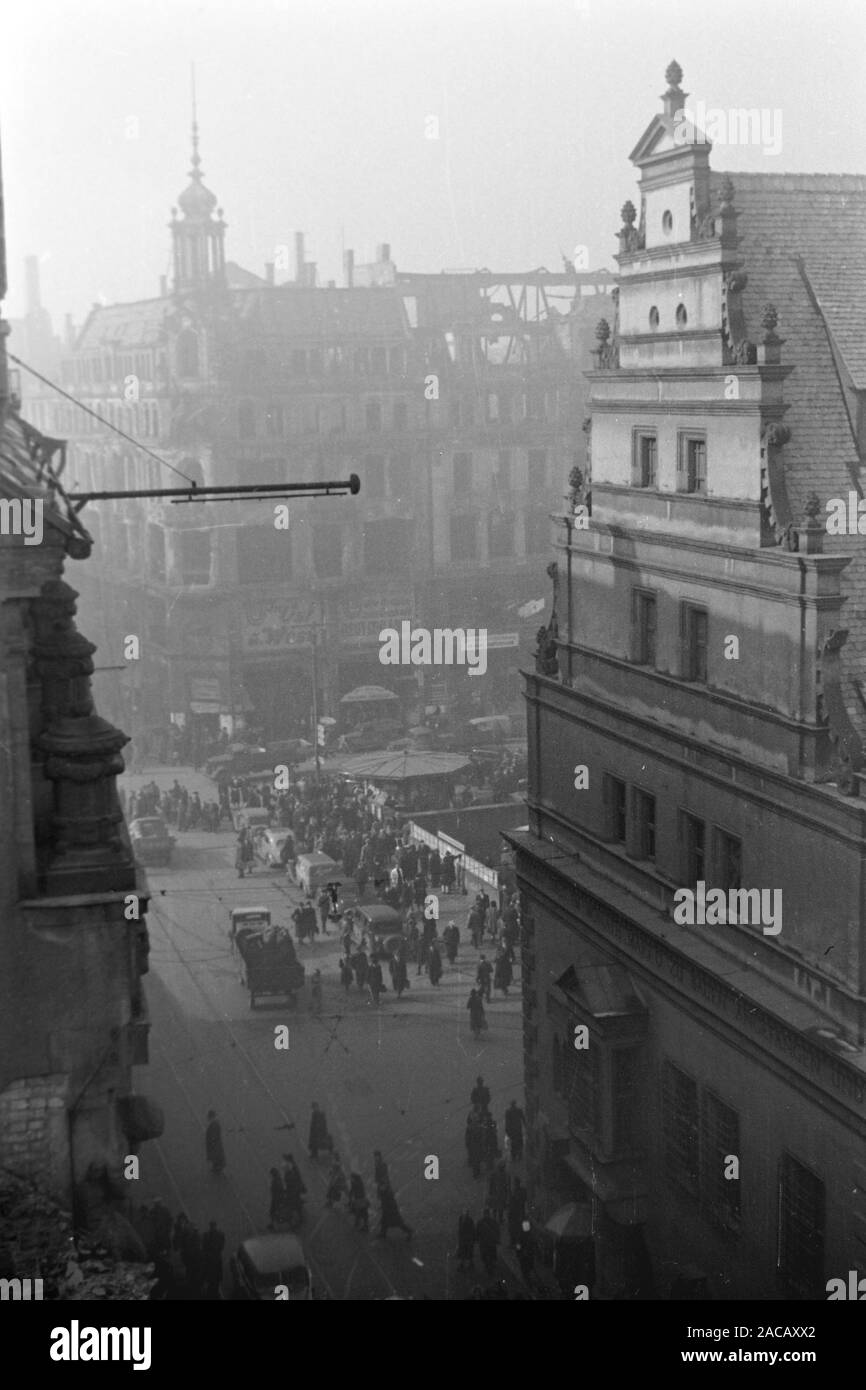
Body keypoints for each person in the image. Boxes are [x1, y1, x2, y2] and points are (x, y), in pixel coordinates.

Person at [201, 1220, 225, 1299]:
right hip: (214, 1259)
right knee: (215, 1280)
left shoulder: (206, 1235)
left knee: (211, 1279)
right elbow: (221, 1246)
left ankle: (211, 1293)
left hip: (210, 1260)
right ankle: (214, 1293)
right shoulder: (220, 1235)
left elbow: (204, 1247)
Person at [282, 1154, 306, 1227]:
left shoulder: (291, 1172)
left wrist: (287, 1191)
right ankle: (297, 1218)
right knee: (296, 1206)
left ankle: (293, 1220)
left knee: (293, 1206)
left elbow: (293, 1183)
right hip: (294, 1191)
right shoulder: (291, 1169)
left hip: (293, 1192)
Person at [475, 1207, 500, 1278]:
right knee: (491, 1255)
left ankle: (488, 1267)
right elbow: (497, 1231)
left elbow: (477, 1232)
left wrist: (477, 1239)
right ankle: (490, 1267)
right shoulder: (493, 1222)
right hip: (490, 1242)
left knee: (485, 1255)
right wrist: (497, 1239)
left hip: (484, 1243)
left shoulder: (480, 1222)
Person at [515, 1221, 536, 1287]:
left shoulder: (520, 1235)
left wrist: (518, 1253)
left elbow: (518, 1246)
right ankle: (529, 1280)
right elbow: (534, 1245)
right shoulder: (531, 1235)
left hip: (523, 1255)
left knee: (524, 1269)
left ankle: (528, 1281)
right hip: (529, 1254)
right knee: (529, 1267)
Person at [488, 1159, 510, 1223]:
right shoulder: (503, 1174)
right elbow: (492, 1183)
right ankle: (497, 1219)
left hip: (498, 1193)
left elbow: (491, 1183)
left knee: (498, 1207)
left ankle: (497, 1219)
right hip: (499, 1193)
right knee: (498, 1207)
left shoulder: (496, 1174)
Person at [507, 1178, 527, 1249]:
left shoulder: (519, 1192)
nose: (515, 1185)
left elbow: (520, 1201)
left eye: (515, 1183)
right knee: (514, 1230)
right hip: (516, 1214)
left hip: (517, 1214)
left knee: (517, 1231)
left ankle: (518, 1246)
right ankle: (515, 1244)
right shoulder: (519, 1191)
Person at [205, 1110, 226, 1176]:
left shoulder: (214, 1124)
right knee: (217, 1161)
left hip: (215, 1148)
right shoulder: (215, 1124)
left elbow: (213, 1137)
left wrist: (212, 1144)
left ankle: (217, 1170)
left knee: (217, 1160)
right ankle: (217, 1169)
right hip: (216, 1148)